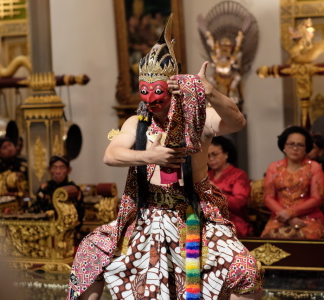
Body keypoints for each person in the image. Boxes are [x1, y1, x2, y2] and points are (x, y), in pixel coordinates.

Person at [67, 15, 264, 300]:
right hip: (145, 216)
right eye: (145, 92)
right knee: (90, 250)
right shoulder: (136, 123)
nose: (152, 100)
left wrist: (210, 93)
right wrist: (151, 155)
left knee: (245, 269)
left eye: (159, 91)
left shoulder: (197, 119)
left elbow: (236, 123)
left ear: (173, 89)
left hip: (194, 215)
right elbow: (111, 155)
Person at [261, 126, 324, 239]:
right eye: (291, 144)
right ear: (284, 147)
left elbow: (317, 198)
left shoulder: (314, 167)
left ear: (306, 149)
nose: (295, 148)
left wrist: (290, 213)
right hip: (279, 216)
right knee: (266, 245)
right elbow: (268, 198)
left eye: (300, 145)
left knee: (304, 244)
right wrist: (287, 216)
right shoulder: (273, 167)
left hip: (308, 218)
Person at [208, 136, 251, 237]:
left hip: (232, 220)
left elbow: (239, 204)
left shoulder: (238, 175)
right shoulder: (206, 175)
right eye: (208, 155)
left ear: (226, 154)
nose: (211, 159)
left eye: (215, 154)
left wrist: (216, 191)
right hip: (208, 219)